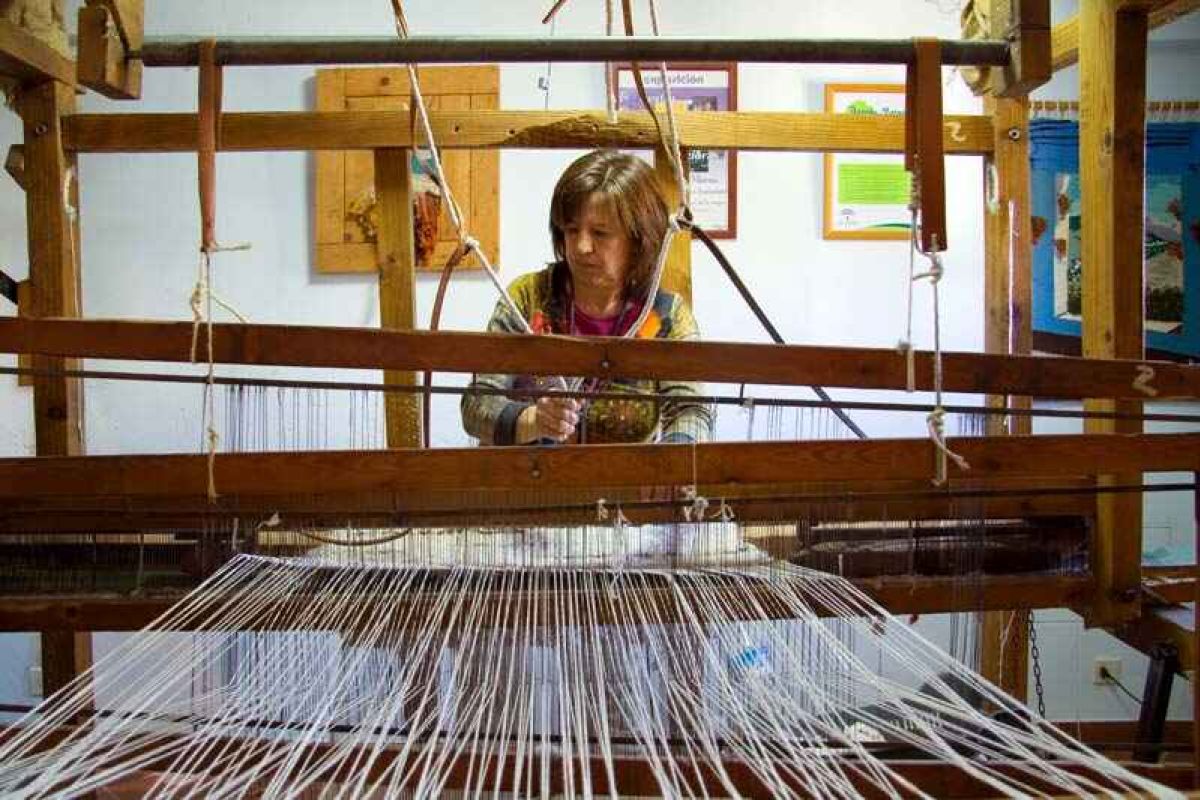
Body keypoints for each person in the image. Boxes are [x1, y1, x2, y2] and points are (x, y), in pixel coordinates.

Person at [461, 149, 713, 446]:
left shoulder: (665, 316)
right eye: (571, 230)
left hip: (625, 488)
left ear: (639, 239)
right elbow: (476, 404)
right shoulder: (527, 298)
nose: (581, 246)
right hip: (524, 486)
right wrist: (533, 420)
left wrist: (670, 466)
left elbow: (692, 411)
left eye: (600, 233)